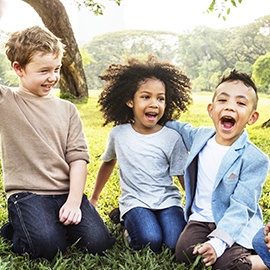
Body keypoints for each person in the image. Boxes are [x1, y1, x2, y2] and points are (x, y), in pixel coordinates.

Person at [0, 25, 115, 260]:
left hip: (65, 193)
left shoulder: (68, 109)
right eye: (44, 71)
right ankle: (15, 229)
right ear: (18, 68)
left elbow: (78, 158)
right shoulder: (7, 102)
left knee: (98, 243)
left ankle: (51, 223)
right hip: (28, 194)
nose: (52, 77)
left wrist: (74, 201)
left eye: (56, 69)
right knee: (48, 249)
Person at [166, 69, 269, 269]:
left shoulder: (256, 159)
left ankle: (261, 261)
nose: (230, 107)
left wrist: (217, 243)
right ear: (211, 110)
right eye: (223, 101)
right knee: (185, 252)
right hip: (201, 220)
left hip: (236, 223)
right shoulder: (200, 137)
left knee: (226, 263)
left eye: (240, 103)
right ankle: (226, 253)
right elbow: (179, 127)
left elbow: (242, 207)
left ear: (252, 117)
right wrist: (154, 118)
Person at [89, 56, 192, 252]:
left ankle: (131, 219)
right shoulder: (119, 134)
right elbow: (108, 163)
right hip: (135, 200)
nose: (154, 103)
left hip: (167, 201)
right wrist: (94, 198)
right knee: (149, 241)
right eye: (146, 97)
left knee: (173, 244)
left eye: (160, 98)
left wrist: (197, 207)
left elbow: (181, 174)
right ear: (130, 100)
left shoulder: (172, 137)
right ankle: (127, 223)